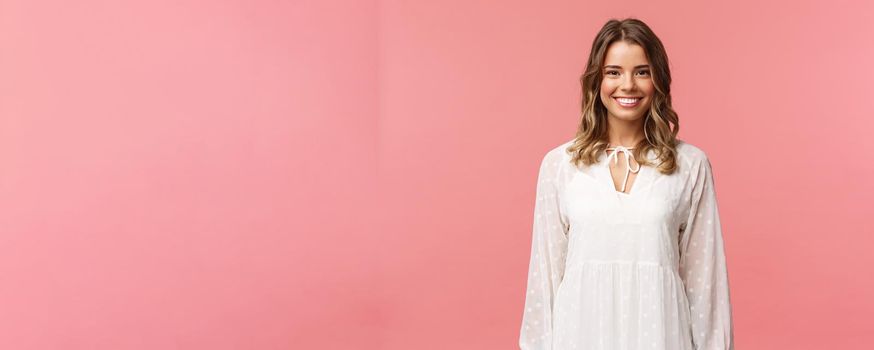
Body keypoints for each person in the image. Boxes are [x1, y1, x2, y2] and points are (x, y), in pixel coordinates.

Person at [518, 18, 735, 350]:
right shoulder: (560, 166)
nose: (628, 85)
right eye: (614, 72)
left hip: (661, 335)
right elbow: (544, 281)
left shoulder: (690, 165)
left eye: (642, 72)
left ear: (658, 80)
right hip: (579, 336)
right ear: (597, 80)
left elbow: (706, 285)